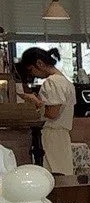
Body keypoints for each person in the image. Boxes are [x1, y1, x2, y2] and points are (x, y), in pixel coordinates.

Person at [16, 47, 76, 175]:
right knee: (62, 171)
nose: (32, 74)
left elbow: (52, 113)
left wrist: (36, 102)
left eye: (31, 70)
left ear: (39, 63)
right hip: (61, 135)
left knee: (52, 174)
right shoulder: (65, 81)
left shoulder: (52, 82)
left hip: (52, 135)